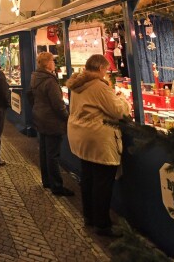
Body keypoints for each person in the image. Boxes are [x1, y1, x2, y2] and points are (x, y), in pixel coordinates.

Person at [66, 54, 130, 238]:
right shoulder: (99, 86)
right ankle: (102, 224)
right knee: (103, 182)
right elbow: (118, 111)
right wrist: (123, 101)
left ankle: (89, 217)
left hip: (81, 136)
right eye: (106, 69)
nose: (107, 73)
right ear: (101, 69)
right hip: (98, 137)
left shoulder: (77, 84)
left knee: (88, 178)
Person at [30, 52, 74, 196]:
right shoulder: (49, 80)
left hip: (40, 118)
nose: (54, 63)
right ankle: (57, 186)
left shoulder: (36, 77)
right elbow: (58, 104)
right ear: (47, 63)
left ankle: (47, 181)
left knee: (44, 152)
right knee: (53, 155)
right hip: (51, 121)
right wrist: (67, 117)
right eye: (52, 61)